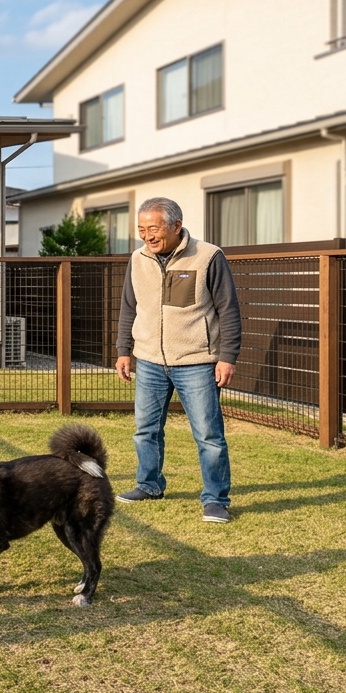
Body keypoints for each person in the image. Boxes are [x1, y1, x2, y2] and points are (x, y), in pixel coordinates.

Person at [114, 197, 241, 523]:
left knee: (209, 436)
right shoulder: (137, 259)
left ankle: (216, 500)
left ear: (176, 226)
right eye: (141, 230)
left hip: (197, 360)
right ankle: (149, 484)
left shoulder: (208, 256)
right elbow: (130, 306)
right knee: (145, 431)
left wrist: (227, 357)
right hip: (150, 360)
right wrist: (123, 350)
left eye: (153, 229)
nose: (147, 236)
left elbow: (229, 310)